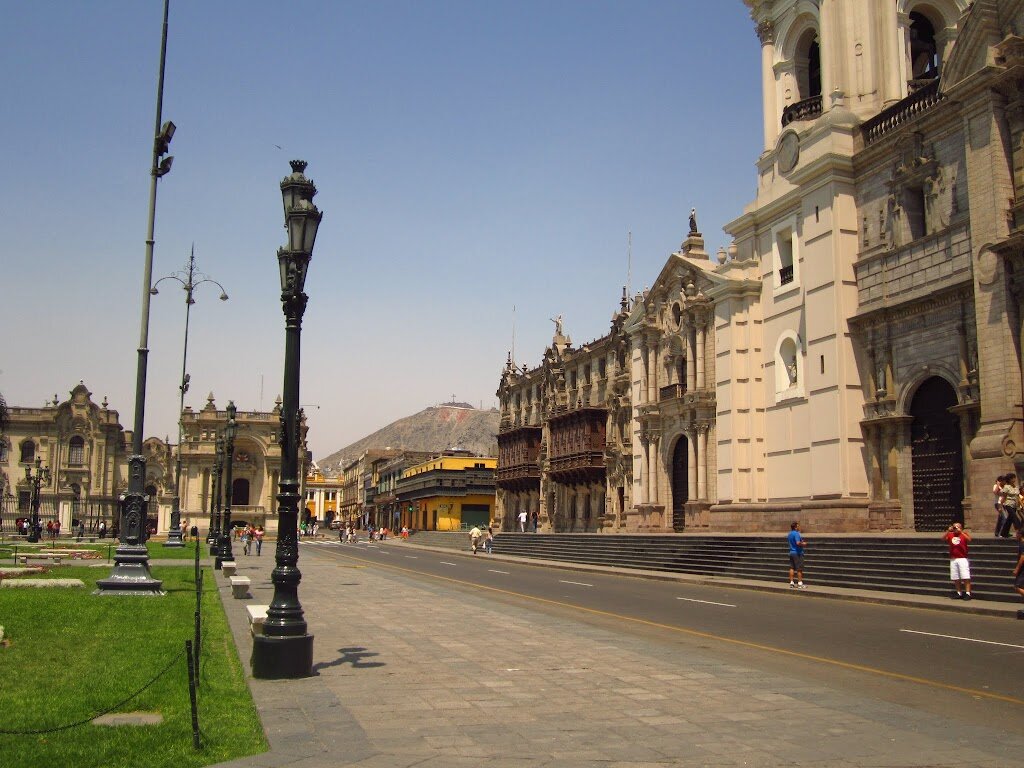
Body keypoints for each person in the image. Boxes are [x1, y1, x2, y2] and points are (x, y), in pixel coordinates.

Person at [943, 520, 973, 600]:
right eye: (954, 527)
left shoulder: (964, 534)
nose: (955, 529)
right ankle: (958, 592)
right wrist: (948, 531)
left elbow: (969, 540)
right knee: (955, 577)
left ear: (960, 527)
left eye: (956, 527)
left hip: (962, 558)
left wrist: (961, 532)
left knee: (965, 576)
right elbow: (943, 539)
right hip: (953, 559)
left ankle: (968, 593)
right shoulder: (950, 534)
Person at [998, 473, 1021, 538]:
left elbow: (1018, 497)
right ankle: (1020, 531)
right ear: (1009, 479)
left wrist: (1019, 506)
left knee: (1009, 520)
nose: (1014, 479)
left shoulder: (1015, 487)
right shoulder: (1006, 487)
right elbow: (1004, 497)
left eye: (1014, 478)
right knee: (1015, 518)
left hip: (1014, 505)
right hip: (1008, 504)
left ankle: (1004, 533)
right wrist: (1000, 507)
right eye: (1012, 478)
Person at [787, 521, 806, 589]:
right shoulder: (796, 534)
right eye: (798, 526)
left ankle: (791, 582)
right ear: (795, 527)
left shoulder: (789, 534)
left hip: (791, 552)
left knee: (792, 568)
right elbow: (798, 543)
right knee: (799, 569)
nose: (799, 527)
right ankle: (800, 583)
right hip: (797, 553)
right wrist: (803, 544)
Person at [1013, 528, 1024, 620]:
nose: (1015, 535)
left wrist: (1017, 568)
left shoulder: (1023, 544)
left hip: (1022, 570)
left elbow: (1023, 557)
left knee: (1017, 587)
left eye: (1017, 533)